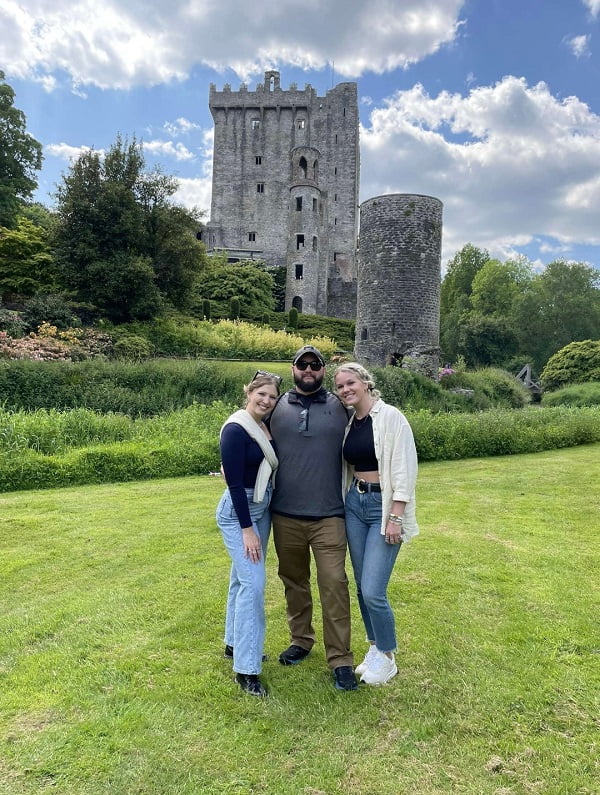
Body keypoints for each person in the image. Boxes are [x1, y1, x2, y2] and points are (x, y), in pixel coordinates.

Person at [269, 345, 357, 691]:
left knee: (334, 583)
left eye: (315, 364)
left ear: (324, 371)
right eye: (302, 364)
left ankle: (341, 659)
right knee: (293, 580)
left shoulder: (341, 407)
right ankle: (301, 639)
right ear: (293, 368)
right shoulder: (275, 405)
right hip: (285, 513)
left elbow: (371, 428)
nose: (308, 369)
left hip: (329, 515)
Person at [333, 362, 419, 685]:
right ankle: (373, 647)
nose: (345, 390)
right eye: (340, 386)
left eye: (350, 383)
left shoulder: (391, 418)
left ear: (366, 383)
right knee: (360, 585)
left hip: (382, 506)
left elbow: (404, 469)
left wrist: (396, 516)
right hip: (355, 504)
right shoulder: (350, 423)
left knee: (373, 589)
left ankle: (387, 655)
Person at [216, 371, 281, 697]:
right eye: (262, 394)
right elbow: (234, 485)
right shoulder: (236, 428)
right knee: (254, 586)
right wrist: (247, 531)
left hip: (261, 509)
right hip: (238, 514)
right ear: (250, 392)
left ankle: (233, 643)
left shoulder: (265, 426)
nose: (267, 401)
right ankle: (246, 668)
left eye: (272, 397)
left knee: (241, 580)